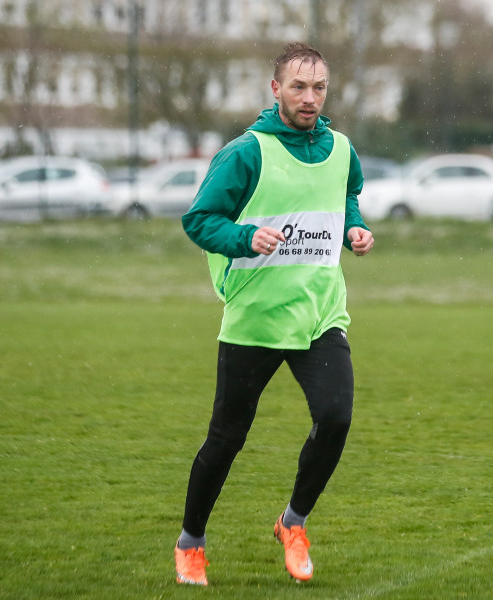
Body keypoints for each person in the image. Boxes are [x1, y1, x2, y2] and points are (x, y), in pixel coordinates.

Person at [173, 42, 374, 587]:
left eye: (319, 87)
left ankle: (293, 523)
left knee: (335, 418)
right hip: (257, 319)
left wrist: (354, 227)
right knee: (226, 439)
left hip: (320, 315)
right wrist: (243, 236)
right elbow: (199, 220)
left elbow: (347, 197)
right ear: (276, 90)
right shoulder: (246, 152)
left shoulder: (342, 149)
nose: (310, 98)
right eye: (299, 87)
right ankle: (191, 541)